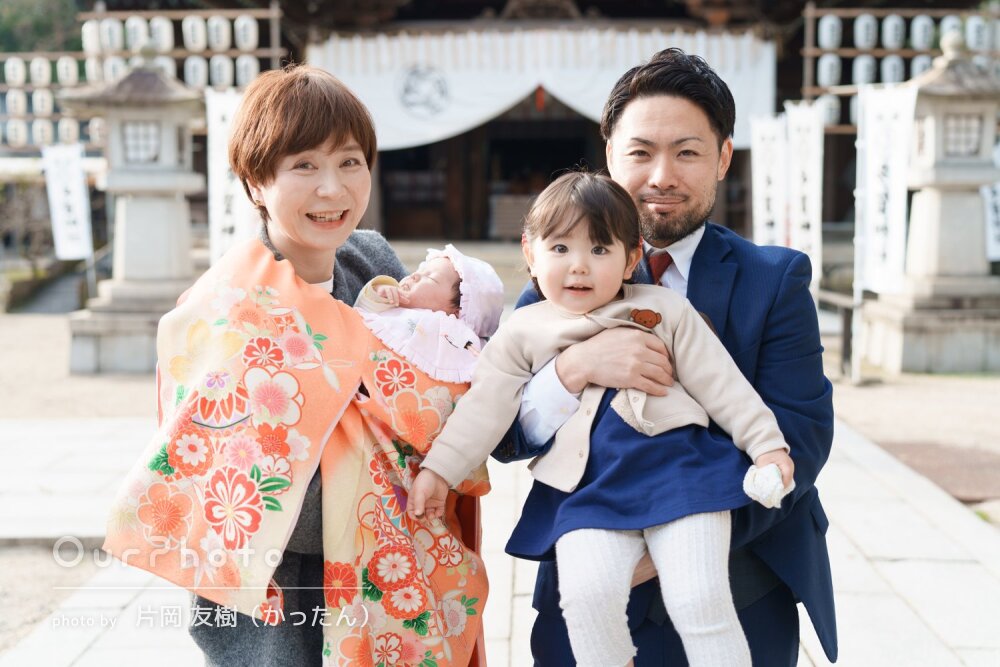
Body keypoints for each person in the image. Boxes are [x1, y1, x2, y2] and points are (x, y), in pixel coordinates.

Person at [102, 65, 489, 667]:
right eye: (304, 165)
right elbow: (228, 497)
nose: (333, 190)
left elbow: (451, 379)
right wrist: (388, 463)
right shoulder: (227, 307)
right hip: (282, 601)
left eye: (351, 161)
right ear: (256, 182)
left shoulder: (374, 263)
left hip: (395, 577)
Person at [504, 49, 836, 665]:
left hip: (737, 581)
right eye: (640, 152)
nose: (662, 175)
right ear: (609, 154)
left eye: (687, 152)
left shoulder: (775, 280)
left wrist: (672, 546)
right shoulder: (555, 285)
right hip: (589, 586)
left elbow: (802, 437)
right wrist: (574, 370)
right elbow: (507, 435)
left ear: (723, 158)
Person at [410, 171, 796, 666]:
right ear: (530, 251)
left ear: (631, 257)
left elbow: (720, 382)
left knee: (699, 598)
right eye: (561, 248)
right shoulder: (523, 330)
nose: (579, 267)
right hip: (586, 489)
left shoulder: (664, 308)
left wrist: (767, 445)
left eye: (599, 250)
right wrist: (439, 469)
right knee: (586, 599)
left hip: (682, 475)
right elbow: (484, 406)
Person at [355, 244, 505, 384]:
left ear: (459, 309)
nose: (414, 276)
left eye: (430, 277)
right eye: (418, 271)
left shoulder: (461, 339)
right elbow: (358, 317)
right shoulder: (390, 306)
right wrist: (377, 294)